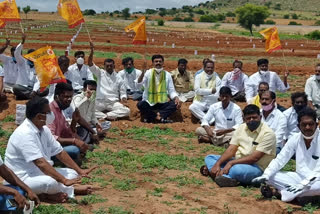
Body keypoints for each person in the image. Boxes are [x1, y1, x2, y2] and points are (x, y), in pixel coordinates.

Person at [5, 97, 96, 203]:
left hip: (37, 173)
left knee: (72, 173)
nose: (51, 114)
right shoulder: (24, 133)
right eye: (48, 112)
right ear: (39, 116)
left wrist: (80, 171)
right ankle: (58, 193)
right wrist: (63, 180)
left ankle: (52, 192)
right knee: (50, 182)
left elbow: (59, 152)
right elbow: (40, 163)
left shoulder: (44, 130)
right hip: (22, 177)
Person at [252, 108, 320, 203]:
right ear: (298, 126)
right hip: (299, 177)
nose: (307, 127)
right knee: (271, 176)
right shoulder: (295, 138)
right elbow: (281, 159)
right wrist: (266, 174)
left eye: (311, 124)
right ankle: (304, 196)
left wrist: (303, 184)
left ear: (316, 125)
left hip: (316, 180)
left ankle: (281, 194)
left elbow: (318, 171)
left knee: (317, 187)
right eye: (304, 124)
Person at [200, 104, 276, 187]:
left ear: (260, 117)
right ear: (244, 119)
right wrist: (218, 164)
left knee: (236, 170)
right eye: (248, 118)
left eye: (254, 117)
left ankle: (218, 174)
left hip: (256, 167)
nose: (251, 120)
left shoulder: (268, 134)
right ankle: (223, 175)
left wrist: (231, 163)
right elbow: (231, 149)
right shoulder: (241, 128)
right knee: (210, 157)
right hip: (237, 161)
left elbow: (254, 158)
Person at [47, 82, 97, 163]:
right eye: (66, 97)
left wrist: (74, 122)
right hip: (50, 149)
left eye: (71, 97)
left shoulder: (60, 110)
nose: (70, 100)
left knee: (81, 140)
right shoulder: (50, 112)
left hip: (59, 144)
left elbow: (67, 132)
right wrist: (74, 141)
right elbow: (52, 139)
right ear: (57, 96)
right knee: (74, 150)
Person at [88, 42, 130, 120]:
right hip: (100, 101)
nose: (109, 67)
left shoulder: (119, 77)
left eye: (111, 65)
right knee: (87, 109)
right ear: (104, 66)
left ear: (114, 66)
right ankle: (107, 116)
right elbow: (90, 64)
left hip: (113, 102)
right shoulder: (100, 73)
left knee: (126, 111)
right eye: (107, 66)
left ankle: (105, 115)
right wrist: (92, 51)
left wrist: (123, 98)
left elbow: (123, 91)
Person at [137, 54, 181, 123]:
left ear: (163, 63)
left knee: (175, 104)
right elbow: (139, 85)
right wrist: (143, 72)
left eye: (160, 61)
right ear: (153, 63)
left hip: (162, 102)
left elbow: (171, 90)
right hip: (150, 102)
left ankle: (154, 117)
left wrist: (176, 97)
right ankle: (160, 118)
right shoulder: (148, 73)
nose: (158, 63)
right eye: (156, 61)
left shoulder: (167, 74)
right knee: (140, 104)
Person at [13, 34, 48, 100]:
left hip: (33, 88)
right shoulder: (22, 62)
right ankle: (32, 97)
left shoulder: (38, 66)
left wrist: (34, 91)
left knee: (46, 90)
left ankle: (27, 96)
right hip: (23, 87)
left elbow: (38, 81)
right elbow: (16, 53)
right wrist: (22, 42)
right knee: (15, 87)